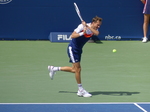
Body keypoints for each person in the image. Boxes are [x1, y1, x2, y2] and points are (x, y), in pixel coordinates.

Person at [48, 16, 102, 97]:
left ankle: (54, 68)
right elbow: (72, 36)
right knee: (78, 69)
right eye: (97, 25)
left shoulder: (93, 29)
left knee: (74, 70)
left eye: (99, 25)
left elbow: (97, 33)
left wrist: (87, 27)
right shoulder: (81, 26)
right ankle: (80, 90)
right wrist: (82, 33)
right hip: (73, 48)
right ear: (93, 23)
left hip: (79, 49)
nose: (98, 27)